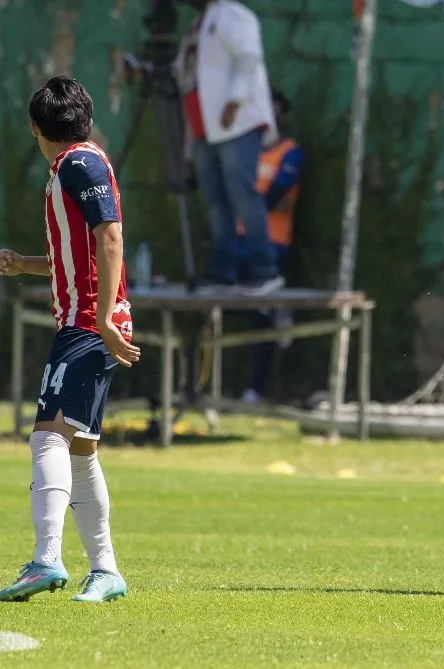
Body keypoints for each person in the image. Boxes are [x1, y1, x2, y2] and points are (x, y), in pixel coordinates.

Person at [0, 76, 141, 603]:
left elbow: (111, 237)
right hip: (88, 320)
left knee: (47, 438)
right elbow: (78, 254)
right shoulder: (79, 163)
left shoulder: (78, 165)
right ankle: (106, 571)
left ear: (34, 127)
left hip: (87, 324)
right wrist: (25, 265)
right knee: (80, 451)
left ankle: (46, 559)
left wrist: (103, 318)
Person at [175, 0, 284, 295]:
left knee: (242, 195)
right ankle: (222, 273)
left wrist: (234, 102)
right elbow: (189, 74)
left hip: (236, 123)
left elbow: (248, 59)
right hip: (205, 129)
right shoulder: (196, 26)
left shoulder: (233, 15)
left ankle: (266, 270)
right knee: (216, 202)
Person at [237, 88, 304, 404]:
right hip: (238, 243)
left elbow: (277, 196)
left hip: (272, 244)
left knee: (261, 322)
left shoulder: (290, 152)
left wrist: (251, 206)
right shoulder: (243, 152)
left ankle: (256, 388)